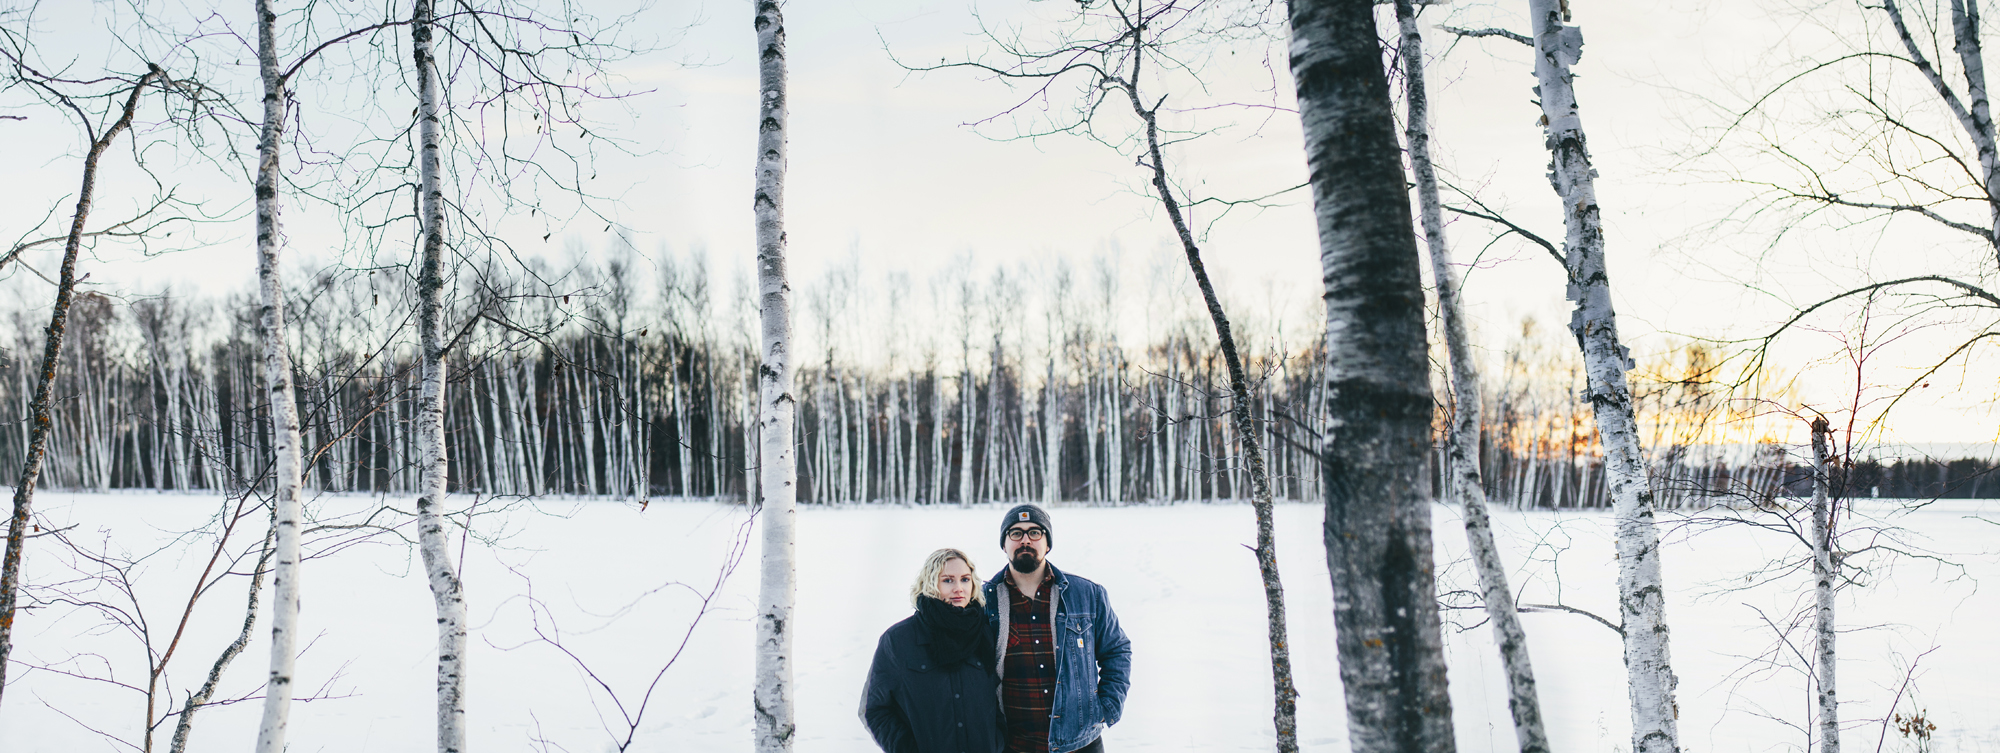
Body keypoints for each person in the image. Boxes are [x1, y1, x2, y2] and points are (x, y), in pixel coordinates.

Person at [983, 504, 1131, 753]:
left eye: (1035, 532)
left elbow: (1117, 650)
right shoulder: (985, 602)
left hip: (1081, 742)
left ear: (1047, 543)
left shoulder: (1086, 594)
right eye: (1016, 533)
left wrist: (1108, 707)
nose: (1025, 540)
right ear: (1004, 544)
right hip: (1012, 744)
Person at [862, 548, 1006, 753]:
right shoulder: (899, 640)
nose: (959, 588)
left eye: (965, 579)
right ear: (930, 584)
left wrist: (996, 742)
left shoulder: (986, 632)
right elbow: (876, 709)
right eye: (948, 580)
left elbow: (1000, 697)